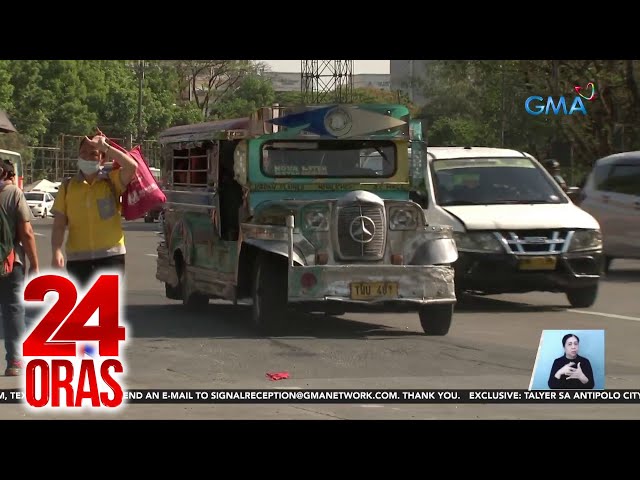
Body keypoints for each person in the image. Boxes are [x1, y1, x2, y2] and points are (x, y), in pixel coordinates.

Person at [51, 131, 138, 286]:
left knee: (105, 307)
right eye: (83, 153)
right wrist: (56, 250)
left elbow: (132, 166)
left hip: (111, 258)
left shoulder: (111, 181)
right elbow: (59, 224)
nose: (87, 157)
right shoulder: (67, 186)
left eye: (93, 153)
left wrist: (106, 147)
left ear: (102, 159)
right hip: (78, 260)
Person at [0, 159, 39, 376]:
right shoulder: (13, 193)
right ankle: (14, 361)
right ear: (8, 174)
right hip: (9, 261)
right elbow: (27, 233)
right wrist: (34, 263)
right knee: (13, 309)